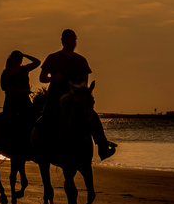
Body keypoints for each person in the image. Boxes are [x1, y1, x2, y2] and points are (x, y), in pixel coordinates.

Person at [39, 29, 116, 160]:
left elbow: (85, 80)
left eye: (73, 39)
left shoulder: (81, 60)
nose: (71, 42)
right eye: (68, 39)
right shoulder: (53, 58)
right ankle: (40, 148)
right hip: (56, 97)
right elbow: (42, 78)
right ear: (62, 41)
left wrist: (79, 92)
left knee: (93, 117)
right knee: (45, 119)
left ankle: (102, 146)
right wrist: (53, 79)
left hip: (75, 97)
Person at [1, 50, 41, 117]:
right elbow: (4, 87)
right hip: (11, 100)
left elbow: (37, 62)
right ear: (12, 59)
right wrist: (20, 91)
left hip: (24, 99)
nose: (19, 60)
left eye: (20, 58)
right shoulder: (7, 72)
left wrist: (25, 55)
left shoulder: (24, 69)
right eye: (17, 58)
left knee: (30, 117)